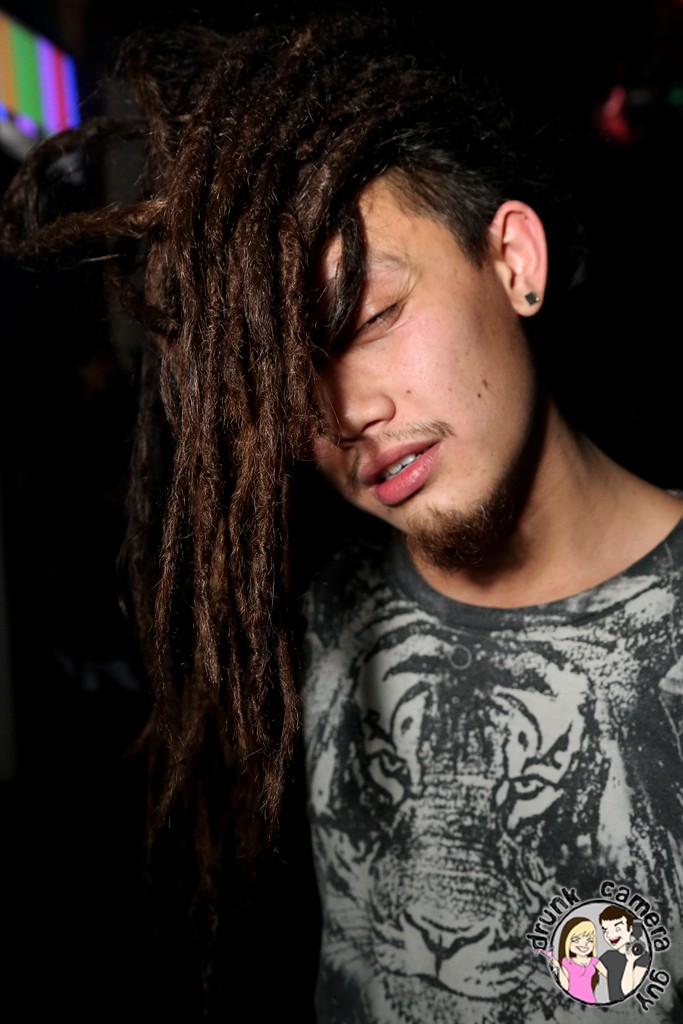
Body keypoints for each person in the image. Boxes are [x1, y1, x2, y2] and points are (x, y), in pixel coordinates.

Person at [1, 5, 682, 1022]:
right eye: (284, 377)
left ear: (513, 261)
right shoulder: (311, 622)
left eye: (369, 316)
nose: (340, 412)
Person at [599, 905, 652, 1002]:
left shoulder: (643, 957)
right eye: (605, 930)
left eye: (618, 929)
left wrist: (630, 961)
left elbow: (628, 992)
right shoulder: (608, 956)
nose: (610, 935)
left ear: (630, 928)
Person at [551, 917, 607, 1003]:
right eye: (576, 940)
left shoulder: (594, 961)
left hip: (590, 1000)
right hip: (572, 1001)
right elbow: (565, 986)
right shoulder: (566, 962)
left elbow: (610, 976)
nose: (584, 944)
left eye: (590, 940)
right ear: (567, 941)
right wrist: (558, 967)